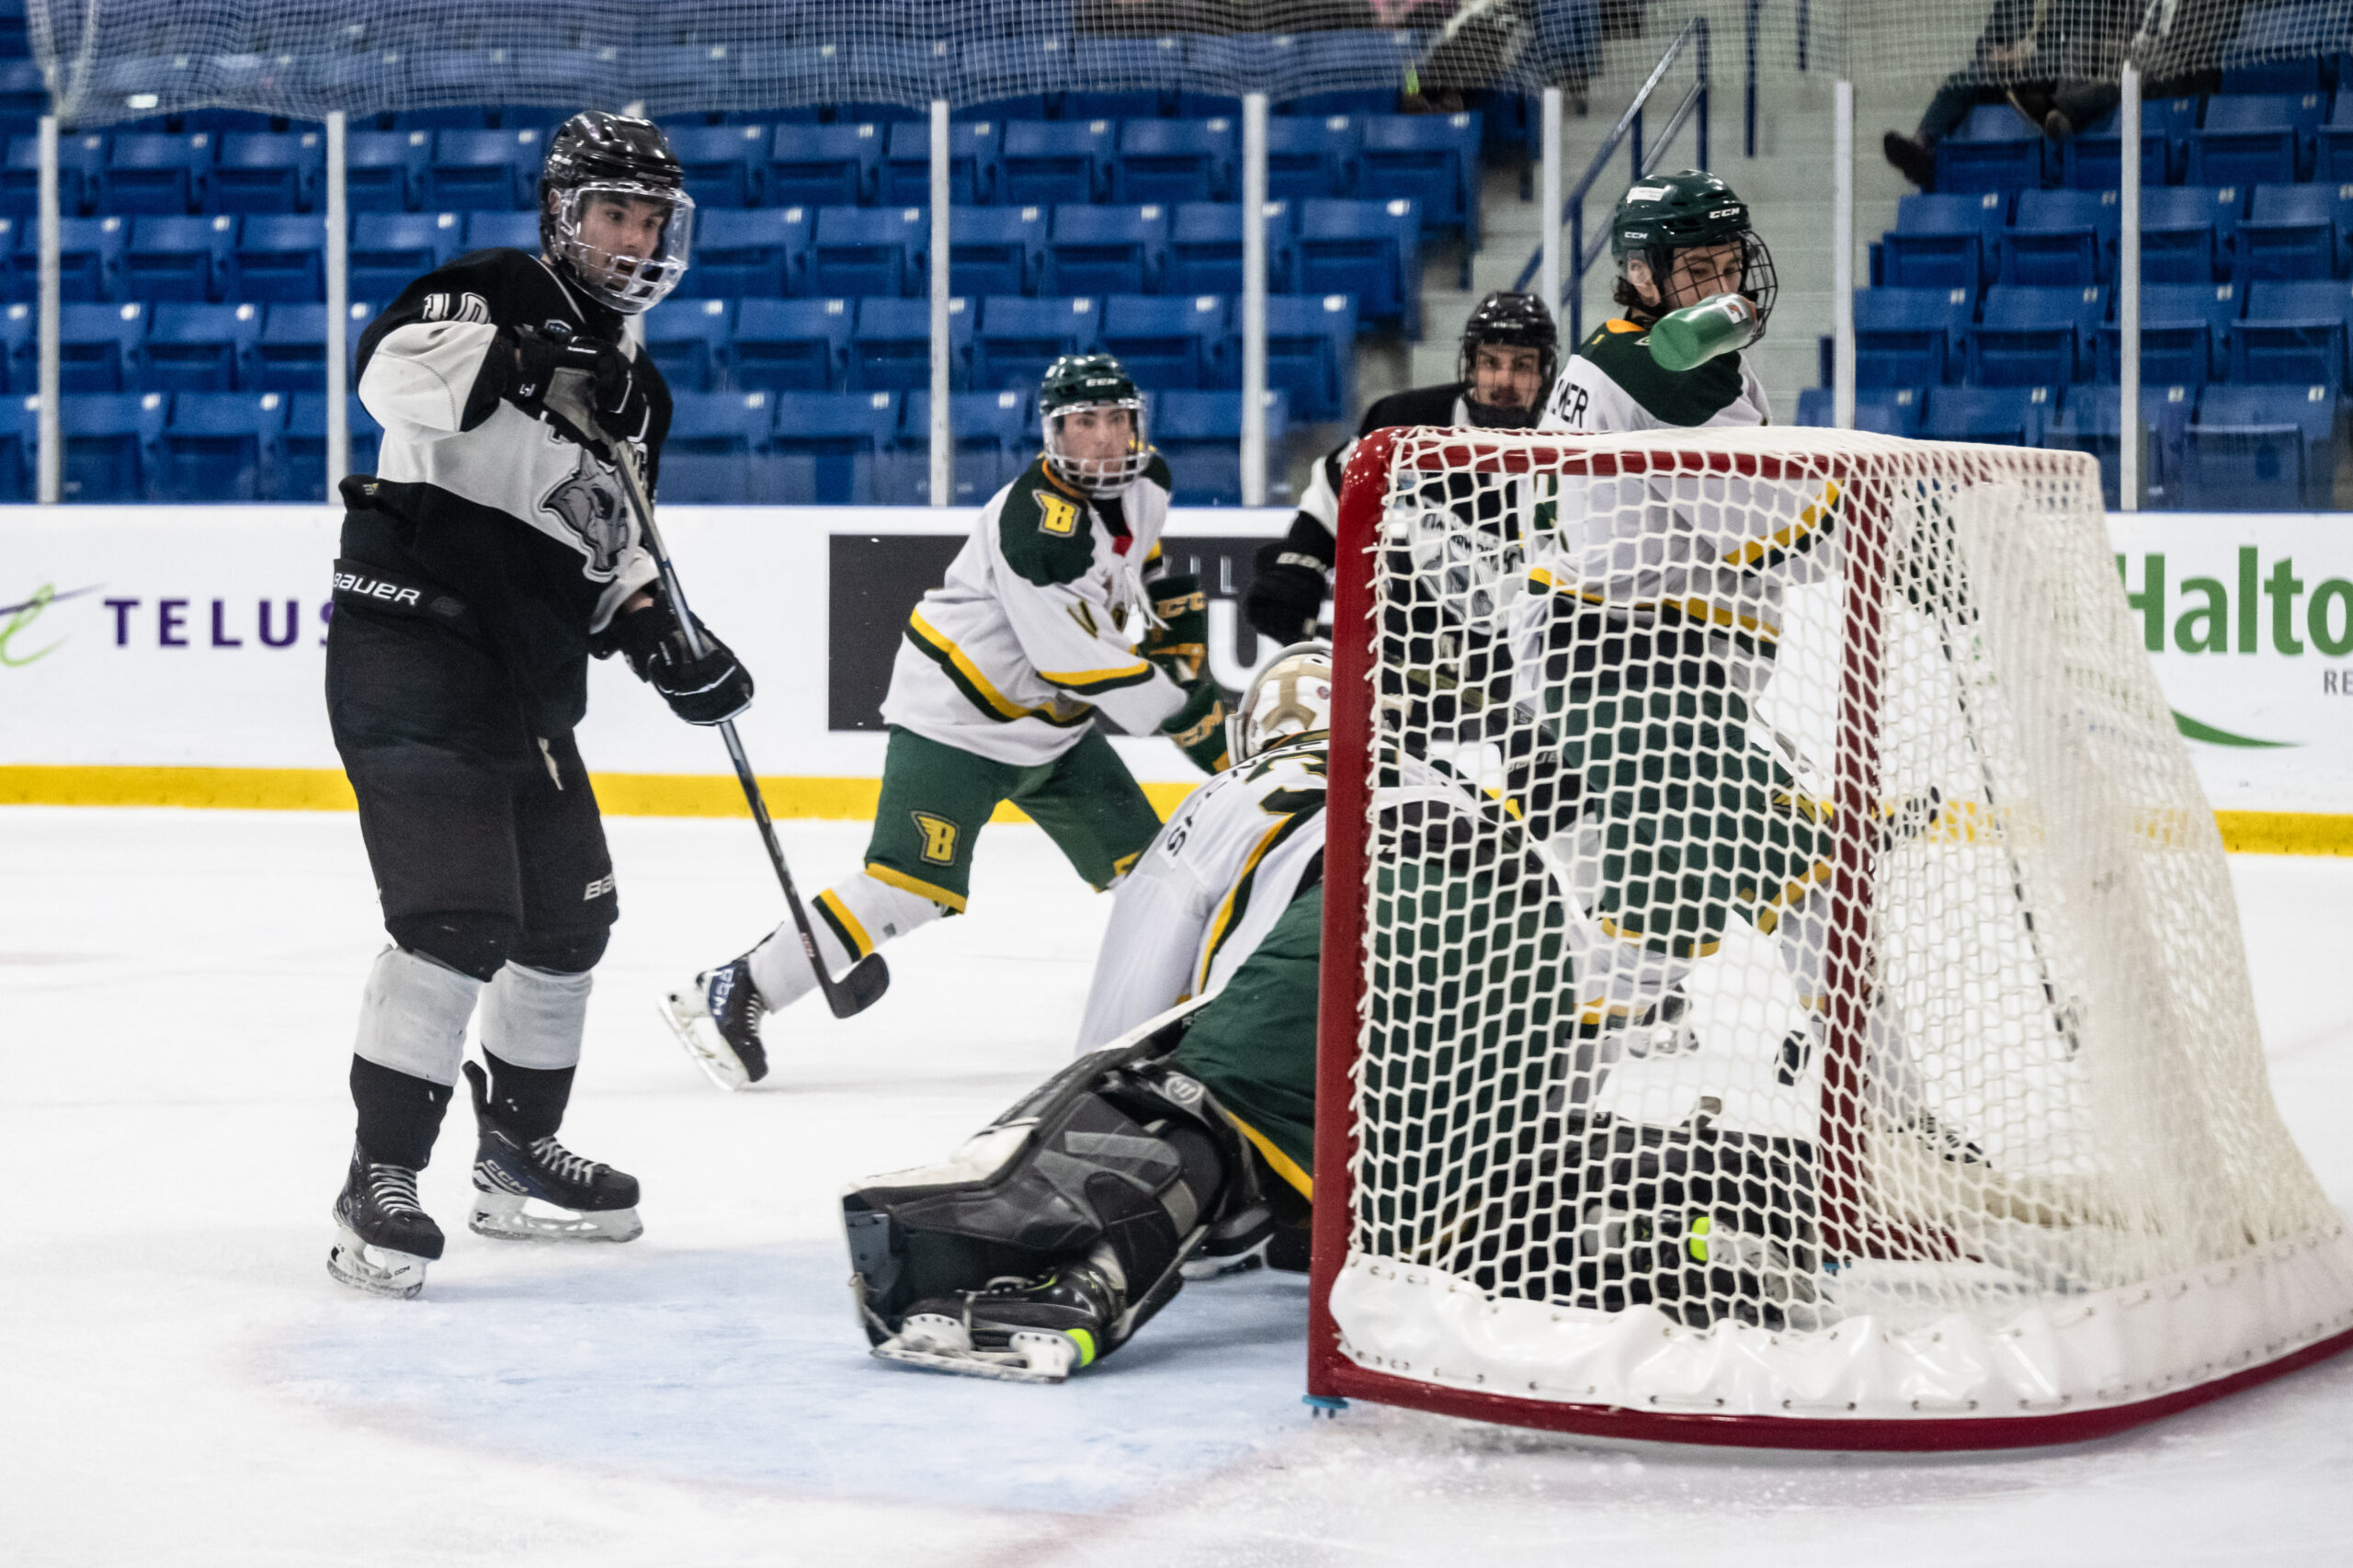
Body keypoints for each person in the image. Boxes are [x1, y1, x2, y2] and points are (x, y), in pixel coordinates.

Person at [839, 652, 1817, 1382]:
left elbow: (1133, 1009)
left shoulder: (1239, 786)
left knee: (1181, 1107)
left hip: (1374, 901)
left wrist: (1107, 1103)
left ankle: (1086, 1287)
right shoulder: (1444, 777)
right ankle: (1718, 1194)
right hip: (1524, 926)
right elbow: (1533, 1047)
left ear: (1254, 732)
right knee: (1459, 1198)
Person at [324, 112, 754, 1299]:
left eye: (652, 216)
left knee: (569, 925)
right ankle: (382, 1176)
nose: (635, 235)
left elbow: (605, 539)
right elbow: (394, 382)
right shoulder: (487, 288)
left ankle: (515, 1156)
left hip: (524, 681)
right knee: (457, 921)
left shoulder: (640, 387)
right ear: (563, 212)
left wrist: (663, 631)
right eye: (616, 210)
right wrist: (534, 353)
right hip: (410, 644)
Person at [662, 354, 1232, 1090]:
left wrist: (1165, 607)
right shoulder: (1034, 525)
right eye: (1084, 423)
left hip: (1052, 730)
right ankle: (741, 987)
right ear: (1054, 432)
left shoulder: (1149, 483)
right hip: (958, 723)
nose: (1105, 439)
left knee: (1149, 872)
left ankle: (1178, 1020)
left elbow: (1137, 559)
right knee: (910, 888)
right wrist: (1188, 712)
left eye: (1118, 420)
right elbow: (1074, 661)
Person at [1243, 290, 1560, 647]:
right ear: (1471, 365)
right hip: (1412, 654)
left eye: (1522, 366)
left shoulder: (1569, 447)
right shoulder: (1404, 422)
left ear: (1543, 373)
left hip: (1523, 656)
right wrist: (1300, 564)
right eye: (1491, 362)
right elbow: (1335, 495)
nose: (1504, 380)